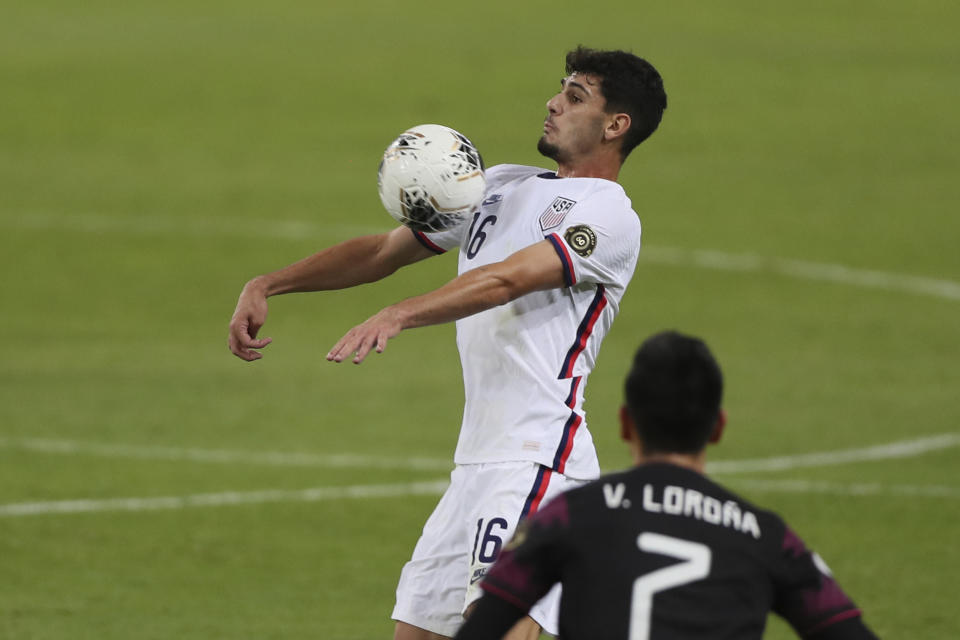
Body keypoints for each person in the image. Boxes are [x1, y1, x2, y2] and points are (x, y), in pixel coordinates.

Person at [228, 47, 668, 639]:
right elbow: (385, 251)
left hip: (539, 458)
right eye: (559, 89)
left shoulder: (609, 217)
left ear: (617, 126)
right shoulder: (503, 185)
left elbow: (508, 278)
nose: (553, 102)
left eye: (575, 97)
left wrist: (401, 314)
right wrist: (269, 283)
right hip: (476, 465)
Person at [454, 331, 880, 640]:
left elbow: (487, 626)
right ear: (718, 428)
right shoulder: (765, 537)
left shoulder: (567, 517)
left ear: (625, 423)